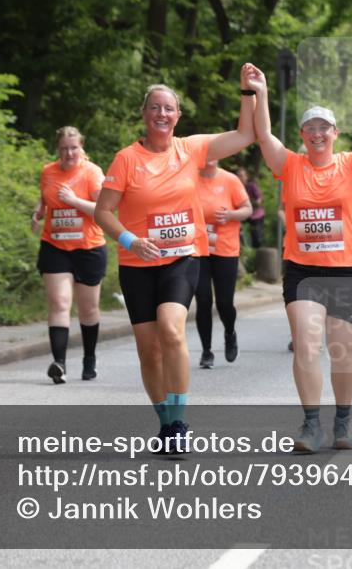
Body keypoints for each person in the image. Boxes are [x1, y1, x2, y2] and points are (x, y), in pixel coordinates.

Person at [93, 66, 257, 452]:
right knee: (148, 351)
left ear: (178, 116)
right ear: (144, 114)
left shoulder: (191, 149)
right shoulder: (126, 160)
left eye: (169, 108)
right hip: (137, 264)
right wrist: (131, 240)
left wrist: (248, 93)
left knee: (171, 329)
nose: (162, 114)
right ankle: (165, 423)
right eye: (155, 108)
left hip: (182, 258)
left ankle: (180, 422)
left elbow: (245, 135)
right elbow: (103, 212)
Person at [253, 66, 352, 454]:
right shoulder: (290, 165)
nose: (318, 134)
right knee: (306, 346)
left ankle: (343, 417)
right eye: (310, 129)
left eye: (325, 128)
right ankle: (309, 424)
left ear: (335, 134)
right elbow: (263, 136)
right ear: (303, 136)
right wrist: (261, 93)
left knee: (343, 350)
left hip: (350, 271)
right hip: (303, 271)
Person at [32, 127, 106, 384]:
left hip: (89, 248)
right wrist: (38, 212)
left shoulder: (92, 172)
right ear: (58, 149)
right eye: (64, 148)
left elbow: (103, 210)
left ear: (82, 147)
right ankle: (59, 363)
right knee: (60, 303)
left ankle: (89, 358)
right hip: (55, 246)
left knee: (88, 308)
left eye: (73, 147)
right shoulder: (48, 171)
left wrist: (74, 201)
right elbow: (45, 199)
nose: (69, 153)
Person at [195, 159, 252, 368]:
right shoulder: (190, 178)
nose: (209, 156)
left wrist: (230, 215)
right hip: (198, 249)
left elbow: (247, 209)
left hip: (225, 248)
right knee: (202, 300)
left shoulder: (230, 179)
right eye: (205, 152)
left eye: (214, 152)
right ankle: (206, 351)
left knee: (224, 303)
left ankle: (230, 332)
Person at [236, 167, 264, 249]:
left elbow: (259, 198)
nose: (240, 178)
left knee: (256, 234)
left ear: (246, 177)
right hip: (243, 213)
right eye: (238, 176)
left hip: (255, 213)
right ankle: (242, 247)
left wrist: (255, 203)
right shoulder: (236, 187)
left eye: (242, 176)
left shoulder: (251, 186)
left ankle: (257, 249)